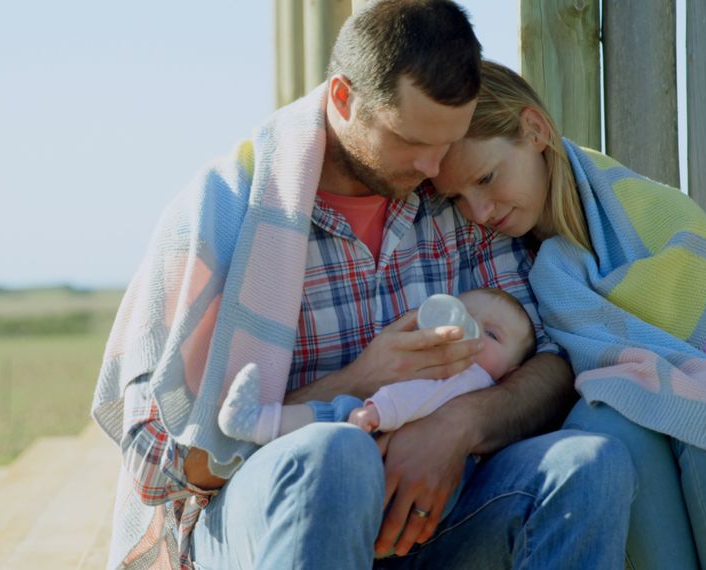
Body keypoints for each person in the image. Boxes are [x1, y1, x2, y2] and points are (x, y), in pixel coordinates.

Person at [92, 2, 635, 568]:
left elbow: (549, 362)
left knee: (591, 465)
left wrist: (458, 426)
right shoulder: (227, 213)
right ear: (344, 98)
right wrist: (361, 380)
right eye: (410, 140)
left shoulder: (458, 201)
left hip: (439, 517)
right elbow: (165, 467)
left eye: (446, 142)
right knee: (338, 455)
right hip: (264, 522)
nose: (433, 167)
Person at [431, 58, 706, 569]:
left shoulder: (664, 220)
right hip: (587, 458)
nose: (478, 212)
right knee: (609, 415)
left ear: (533, 130)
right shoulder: (492, 251)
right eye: (458, 198)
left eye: (486, 178)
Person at [217, 287, 536, 442]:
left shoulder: (474, 378)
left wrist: (378, 411)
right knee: (327, 412)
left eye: (491, 334)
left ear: (512, 371)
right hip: (376, 417)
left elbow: (421, 396)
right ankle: (256, 421)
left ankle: (257, 421)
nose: (470, 330)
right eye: (464, 316)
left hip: (382, 421)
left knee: (331, 413)